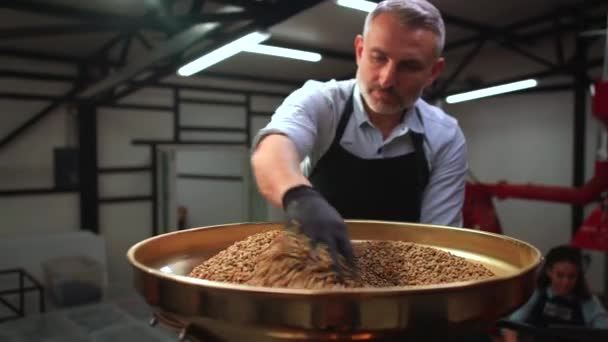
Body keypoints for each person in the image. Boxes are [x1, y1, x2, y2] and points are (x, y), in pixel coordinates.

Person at [250, 0, 467, 267]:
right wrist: (300, 197)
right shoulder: (323, 102)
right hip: (315, 271)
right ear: (360, 50)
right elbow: (272, 151)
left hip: (403, 281)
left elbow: (440, 242)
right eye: (378, 58)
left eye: (409, 66)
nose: (387, 79)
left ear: (433, 72)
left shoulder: (444, 135)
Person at [502, 245, 608, 342]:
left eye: (571, 276)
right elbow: (511, 326)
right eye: (560, 275)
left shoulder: (587, 301)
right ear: (549, 272)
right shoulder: (536, 293)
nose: (565, 282)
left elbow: (603, 332)